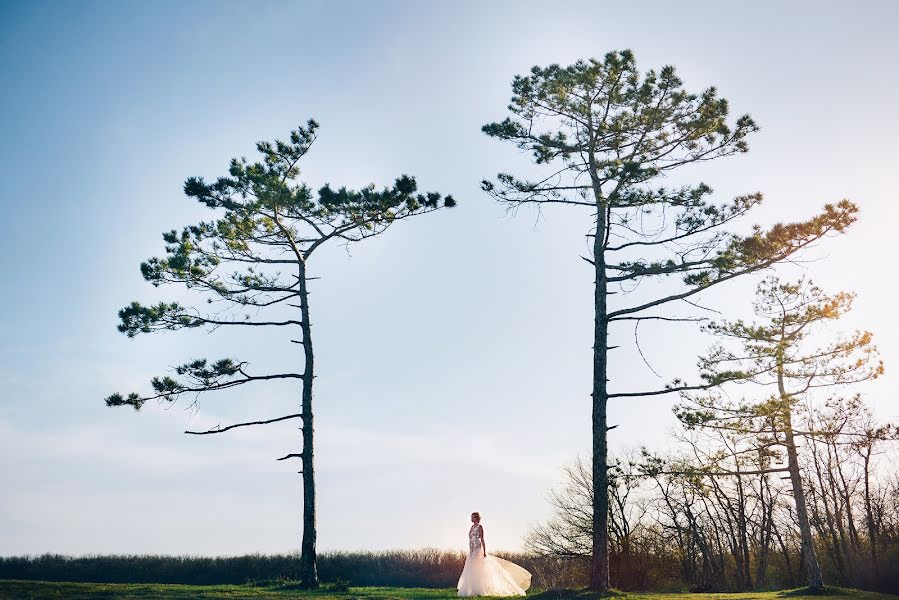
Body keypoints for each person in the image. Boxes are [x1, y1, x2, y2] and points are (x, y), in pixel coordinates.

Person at [457, 512, 531, 597]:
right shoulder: (471, 527)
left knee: (478, 569)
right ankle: (472, 590)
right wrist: (470, 550)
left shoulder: (479, 527)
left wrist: (484, 552)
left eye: (473, 517)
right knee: (471, 570)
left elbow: (482, 539)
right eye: (471, 517)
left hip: (477, 549)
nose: (471, 519)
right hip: (471, 550)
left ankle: (480, 589)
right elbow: (470, 539)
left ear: (477, 518)